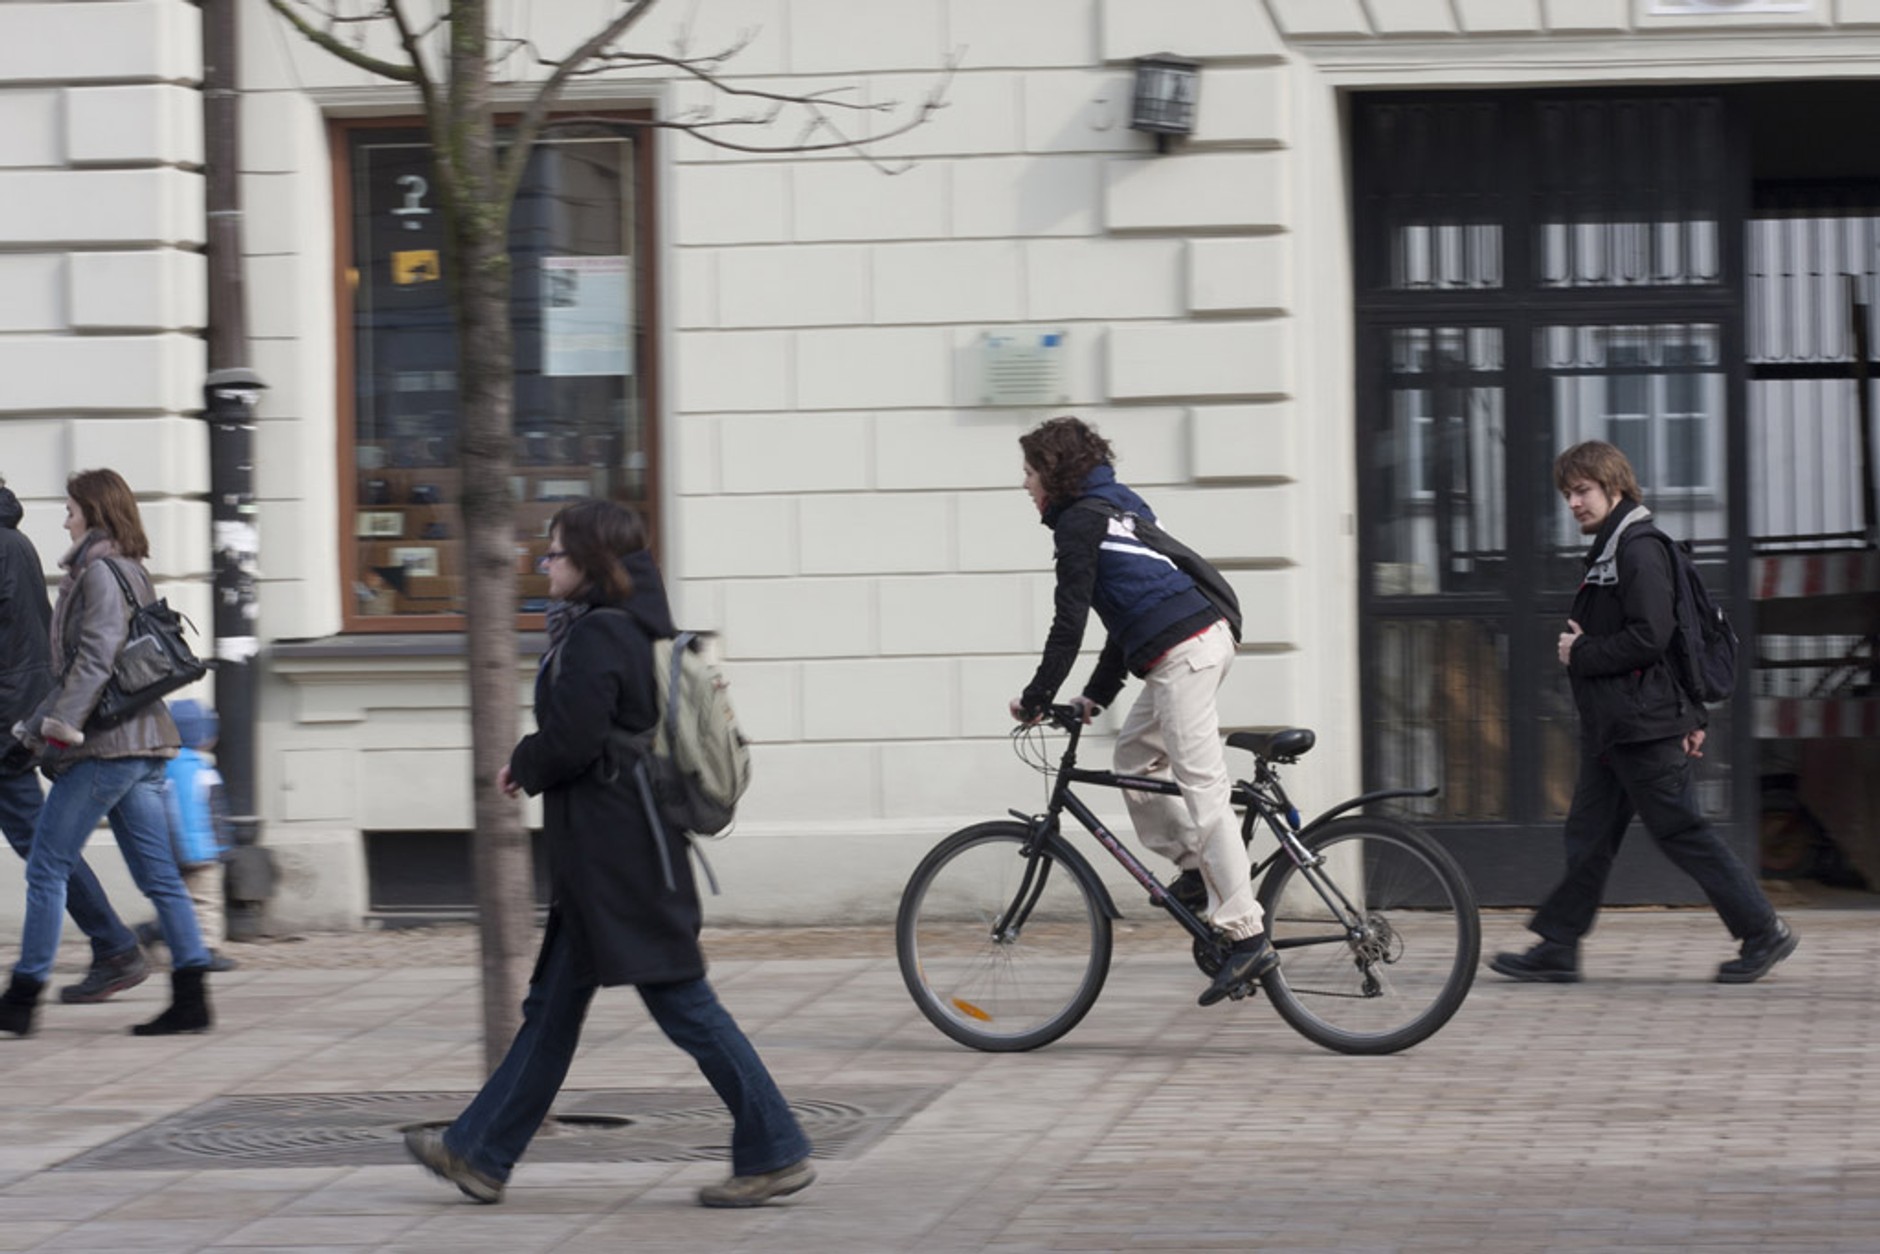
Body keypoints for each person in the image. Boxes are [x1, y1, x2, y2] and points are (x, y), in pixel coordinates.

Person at [404, 500, 814, 1208]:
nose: (545, 563)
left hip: (620, 861)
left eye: (556, 552)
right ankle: (479, 1153)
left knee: (685, 1003)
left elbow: (574, 739)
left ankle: (776, 1148)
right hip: (609, 857)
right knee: (552, 1011)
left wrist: (523, 762)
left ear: (589, 562)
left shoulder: (602, 634)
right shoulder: (626, 628)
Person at [1490, 440, 1797, 985]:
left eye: (1582, 491)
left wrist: (1580, 652)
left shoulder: (1638, 550)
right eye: (1567, 494)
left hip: (1642, 727)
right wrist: (1694, 715)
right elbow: (1674, 638)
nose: (1574, 504)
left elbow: (1654, 637)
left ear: (1614, 487)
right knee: (1589, 834)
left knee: (1681, 830)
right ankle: (1558, 946)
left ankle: (1762, 930)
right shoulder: (1616, 548)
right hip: (1618, 726)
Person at [1008, 416, 1276, 1007]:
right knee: (1134, 756)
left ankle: (1245, 932)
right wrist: (1094, 696)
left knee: (1203, 790)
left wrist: (1035, 696)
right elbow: (1125, 612)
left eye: (1028, 471)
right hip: (1193, 641)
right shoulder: (1115, 505)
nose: (1024, 484)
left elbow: (1070, 620)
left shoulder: (1080, 523)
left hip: (1185, 652)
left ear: (1051, 473)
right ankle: (1195, 869)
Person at [0, 468, 214, 1037]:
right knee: (161, 880)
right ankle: (192, 996)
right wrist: (31, 729)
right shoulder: (130, 569)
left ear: (93, 512)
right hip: (144, 741)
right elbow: (88, 668)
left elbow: (93, 663)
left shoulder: (96, 573)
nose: (64, 516)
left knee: (47, 866)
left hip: (107, 748)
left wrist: (61, 728)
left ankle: (22, 997)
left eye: (71, 507)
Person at [0, 476, 150, 1005]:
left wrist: (32, 728)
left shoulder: (6, 545)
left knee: (41, 847)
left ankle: (113, 947)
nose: (66, 519)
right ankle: (115, 946)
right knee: (42, 844)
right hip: (17, 713)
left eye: (71, 510)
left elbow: (57, 652)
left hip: (7, 722)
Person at [135, 698, 237, 973]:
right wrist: (224, 847)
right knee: (205, 903)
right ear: (205, 737)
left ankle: (152, 932)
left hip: (169, 852)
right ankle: (206, 950)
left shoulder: (159, 768)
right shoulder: (204, 771)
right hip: (203, 852)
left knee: (178, 901)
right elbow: (213, 812)